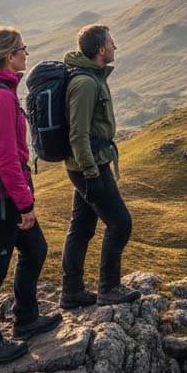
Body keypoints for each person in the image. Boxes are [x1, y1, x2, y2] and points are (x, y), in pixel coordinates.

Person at [0, 26, 61, 366]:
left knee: (35, 249)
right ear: (8, 56)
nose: (26, 54)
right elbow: (6, 158)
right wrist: (25, 205)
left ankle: (26, 318)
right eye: (23, 49)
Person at [59, 24, 140, 308]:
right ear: (101, 49)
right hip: (89, 166)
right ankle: (108, 288)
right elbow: (77, 134)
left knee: (81, 227)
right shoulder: (85, 83)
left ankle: (71, 293)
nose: (115, 46)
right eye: (111, 42)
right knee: (120, 223)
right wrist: (91, 174)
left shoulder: (92, 77)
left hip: (89, 163)